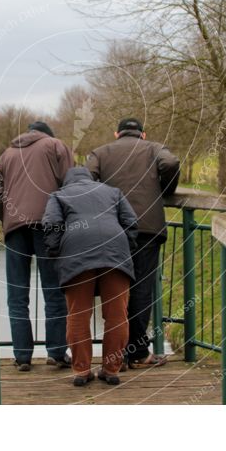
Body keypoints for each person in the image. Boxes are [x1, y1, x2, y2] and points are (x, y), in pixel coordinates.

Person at [86, 118, 180, 369]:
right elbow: (170, 162)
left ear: (116, 133)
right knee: (141, 289)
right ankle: (137, 352)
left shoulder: (100, 152)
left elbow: (86, 179)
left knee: (114, 288)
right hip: (147, 228)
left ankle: (115, 354)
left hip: (111, 228)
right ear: (143, 133)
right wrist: (165, 190)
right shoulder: (153, 148)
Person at [42, 167, 138, 386]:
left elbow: (51, 225)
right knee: (117, 315)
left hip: (76, 253)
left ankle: (81, 371)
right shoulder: (113, 192)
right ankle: (111, 370)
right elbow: (131, 222)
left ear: (67, 182)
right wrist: (124, 248)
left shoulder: (58, 195)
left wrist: (57, 253)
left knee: (78, 314)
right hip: (115, 251)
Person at [0, 121, 73, 371]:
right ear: (46, 135)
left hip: (15, 229)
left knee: (17, 296)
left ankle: (22, 356)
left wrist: (5, 219)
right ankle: (57, 352)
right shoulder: (56, 146)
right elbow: (70, 185)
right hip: (48, 225)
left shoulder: (6, 155)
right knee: (54, 292)